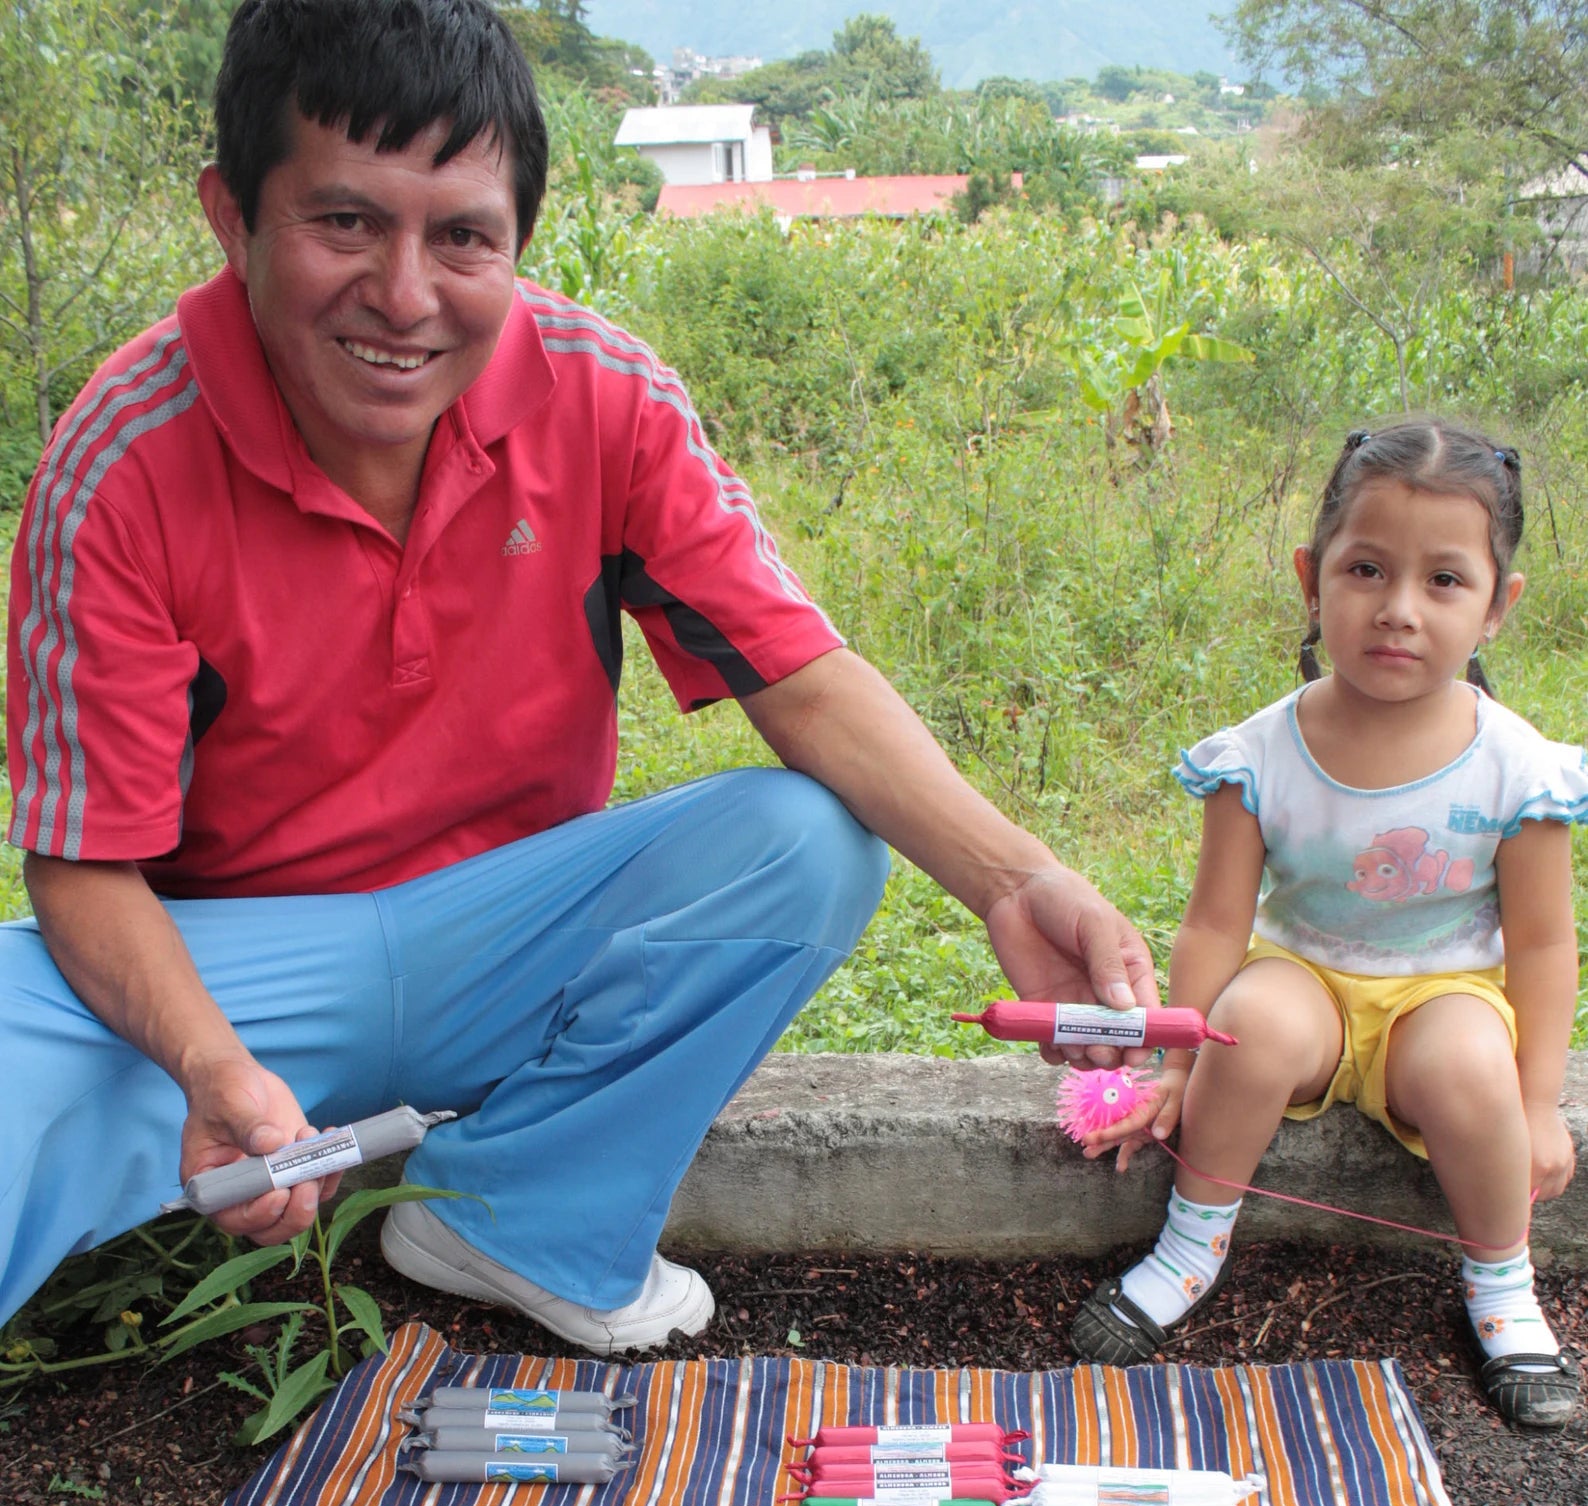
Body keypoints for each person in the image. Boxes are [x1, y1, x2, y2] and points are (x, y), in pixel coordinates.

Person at [3, 0, 1156, 1357]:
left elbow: (796, 671)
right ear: (230, 215)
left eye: (462, 236)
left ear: (519, 241)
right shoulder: (124, 459)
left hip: (511, 936)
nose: (405, 294)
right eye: (344, 222)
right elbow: (84, 864)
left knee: (796, 841)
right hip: (249, 974)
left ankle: (520, 1214)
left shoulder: (601, 393)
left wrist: (1014, 882)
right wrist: (210, 1064)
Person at [1068, 419, 1583, 1429]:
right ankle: (1189, 1245)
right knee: (1245, 1023)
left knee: (1472, 1066)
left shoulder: (1516, 769)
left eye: (1443, 581)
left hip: (1443, 991)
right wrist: (1177, 1062)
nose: (1396, 611)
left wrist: (1536, 1101)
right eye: (1365, 569)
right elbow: (1217, 921)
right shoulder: (1259, 754)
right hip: (1303, 977)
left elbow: (1540, 943)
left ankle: (1500, 1285)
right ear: (1312, 578)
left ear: (1496, 607)